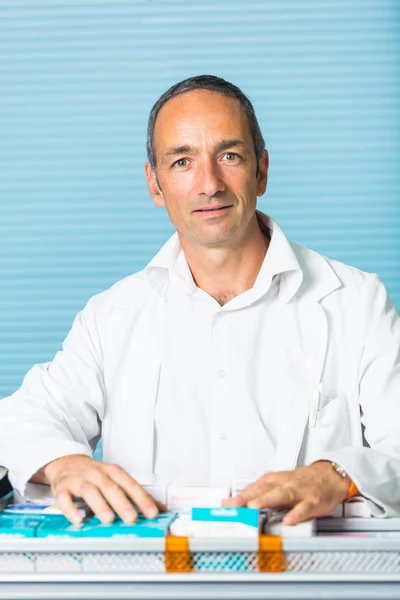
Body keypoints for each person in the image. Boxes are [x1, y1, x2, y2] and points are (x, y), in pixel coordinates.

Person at [0, 74, 399, 528]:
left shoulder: (358, 302)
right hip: (153, 584)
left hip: (310, 579)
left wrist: (339, 475)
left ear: (261, 170)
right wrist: (65, 464)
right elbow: (22, 418)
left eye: (229, 156)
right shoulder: (112, 316)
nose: (209, 184)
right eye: (182, 161)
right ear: (154, 184)